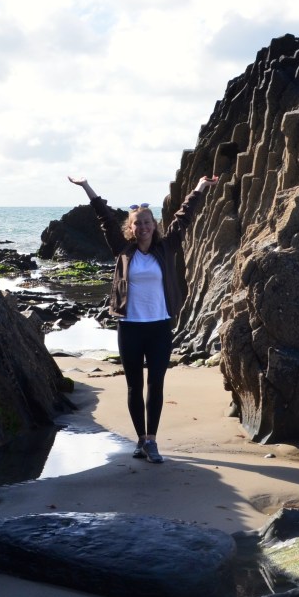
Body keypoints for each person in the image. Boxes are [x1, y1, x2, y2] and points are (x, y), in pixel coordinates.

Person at [67, 173, 219, 463]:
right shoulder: (123, 251)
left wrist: (200, 187)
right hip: (130, 327)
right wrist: (87, 186)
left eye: (147, 222)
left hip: (159, 326)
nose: (143, 227)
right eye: (138, 223)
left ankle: (152, 440)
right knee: (134, 385)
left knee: (156, 384)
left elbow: (184, 217)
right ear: (131, 228)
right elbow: (104, 218)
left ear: (154, 225)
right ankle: (140, 439)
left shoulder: (166, 247)